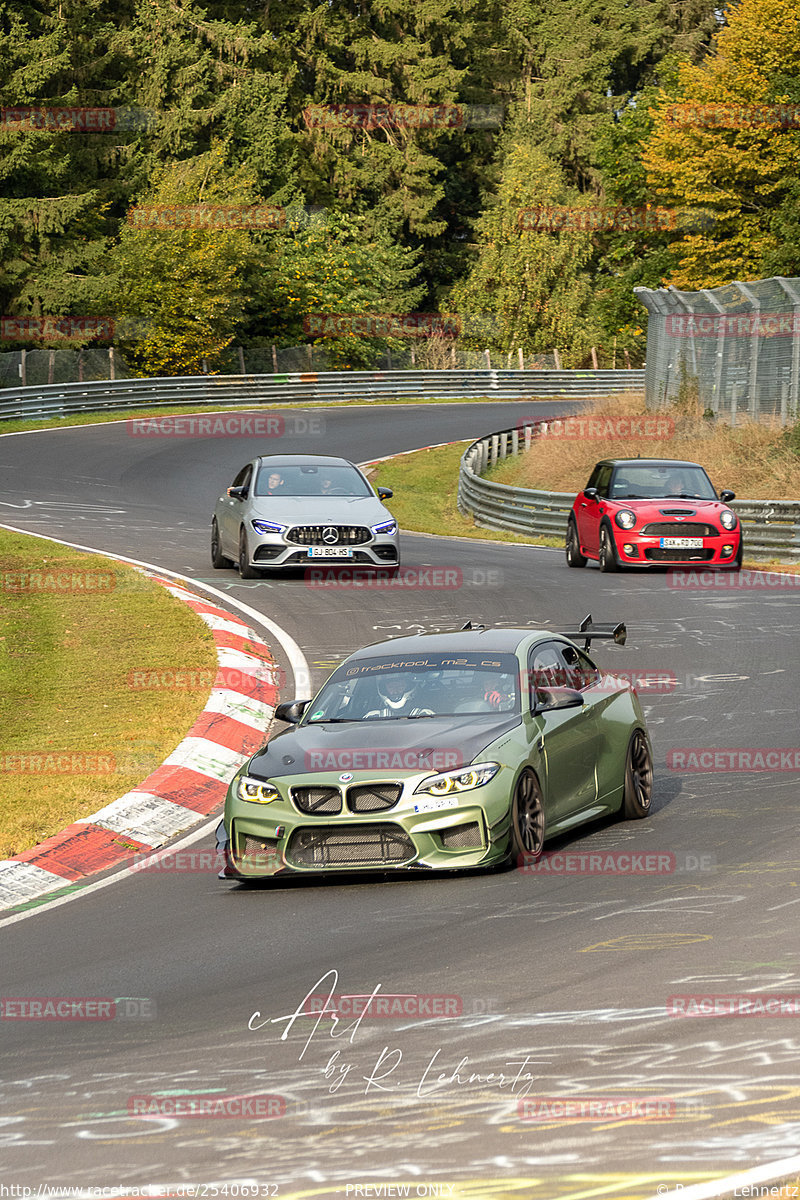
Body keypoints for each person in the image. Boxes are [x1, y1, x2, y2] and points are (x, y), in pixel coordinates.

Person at [364, 675, 434, 718]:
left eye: (400, 686)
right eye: (391, 687)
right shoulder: (372, 716)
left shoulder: (425, 715)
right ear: (384, 690)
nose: (395, 691)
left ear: (409, 688)